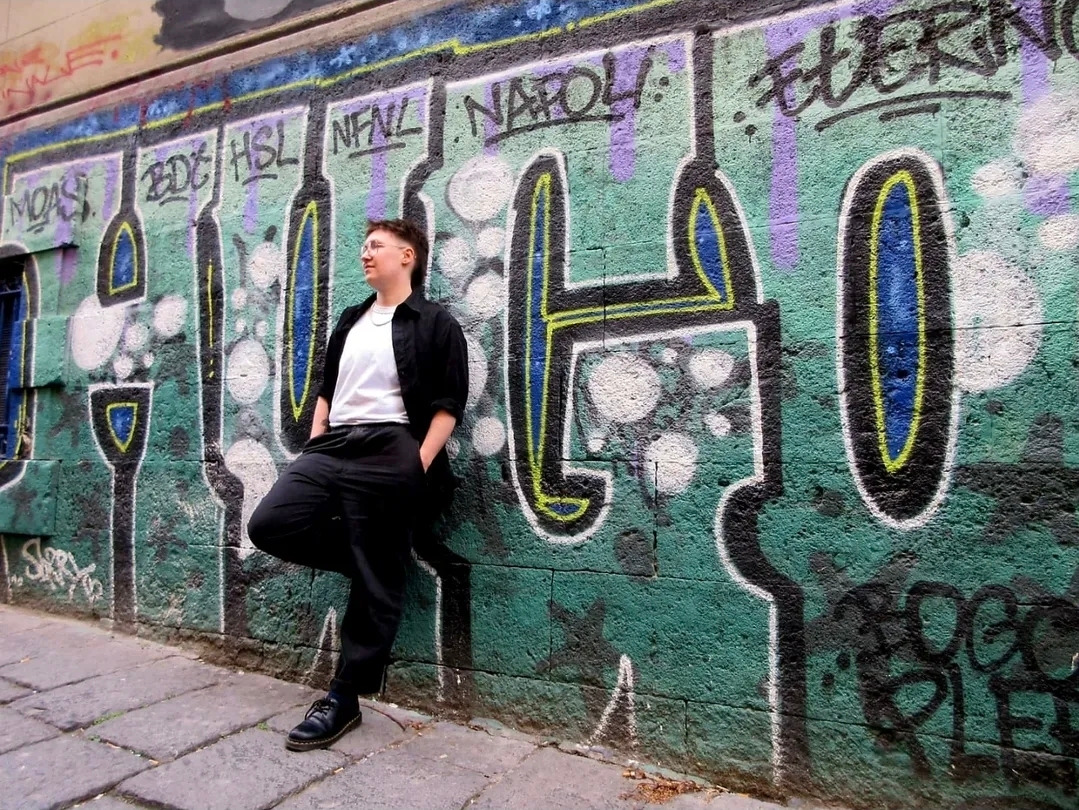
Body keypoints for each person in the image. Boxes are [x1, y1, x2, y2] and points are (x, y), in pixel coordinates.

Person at [247, 218, 468, 751]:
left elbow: (448, 404)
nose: (365, 254)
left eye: (376, 246)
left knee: (377, 571)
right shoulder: (350, 319)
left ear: (407, 256)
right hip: (334, 444)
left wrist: (416, 464)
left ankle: (343, 699)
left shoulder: (436, 323)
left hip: (393, 446)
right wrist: (316, 439)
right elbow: (327, 388)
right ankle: (371, 564)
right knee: (270, 523)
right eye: (364, 246)